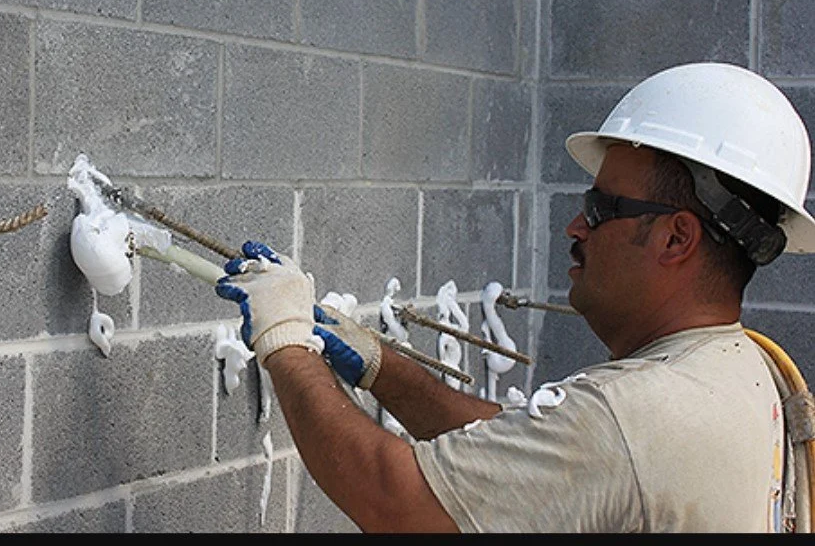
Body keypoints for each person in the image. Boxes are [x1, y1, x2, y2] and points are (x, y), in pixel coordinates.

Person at [214, 61, 815, 533]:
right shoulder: (741, 369)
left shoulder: (634, 414)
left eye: (602, 208)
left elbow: (394, 503)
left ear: (676, 237)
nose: (575, 228)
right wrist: (383, 368)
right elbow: (537, 454)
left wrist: (284, 338)